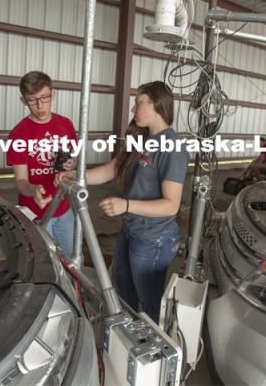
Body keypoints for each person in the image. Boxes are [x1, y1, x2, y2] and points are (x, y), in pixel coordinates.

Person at [57, 81, 189, 322]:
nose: (133, 109)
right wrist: (77, 176)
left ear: (157, 105)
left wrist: (126, 205)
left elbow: (171, 205)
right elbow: (113, 168)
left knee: (147, 302)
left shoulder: (173, 147)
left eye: (138, 103)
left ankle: (148, 345)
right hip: (131, 230)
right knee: (124, 292)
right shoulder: (141, 139)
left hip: (154, 238)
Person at [6, 71, 77, 255]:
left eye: (44, 97)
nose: (39, 105)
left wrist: (71, 165)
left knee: (71, 261)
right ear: (23, 100)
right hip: (34, 212)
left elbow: (74, 159)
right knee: (45, 264)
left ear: (53, 94)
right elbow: (21, 182)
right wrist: (33, 189)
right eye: (32, 100)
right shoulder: (18, 134)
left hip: (63, 209)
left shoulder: (65, 124)